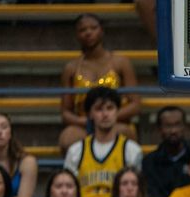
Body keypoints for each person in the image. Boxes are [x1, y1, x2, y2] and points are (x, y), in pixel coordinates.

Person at [58, 13, 139, 153]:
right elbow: (65, 112)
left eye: (93, 28)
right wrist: (85, 121)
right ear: (76, 35)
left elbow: (136, 104)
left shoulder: (121, 62)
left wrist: (108, 118)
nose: (88, 32)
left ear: (102, 30)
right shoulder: (71, 68)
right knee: (67, 139)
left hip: (116, 121)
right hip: (84, 124)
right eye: (82, 30)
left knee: (125, 134)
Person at [63, 87, 143, 197]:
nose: (105, 114)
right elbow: (67, 190)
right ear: (90, 114)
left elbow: (136, 194)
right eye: (99, 109)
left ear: (117, 111)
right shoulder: (75, 151)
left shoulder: (132, 150)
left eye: (110, 108)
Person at [142, 106, 190, 197]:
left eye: (177, 125)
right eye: (168, 126)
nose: (173, 131)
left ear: (185, 127)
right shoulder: (149, 162)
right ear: (159, 129)